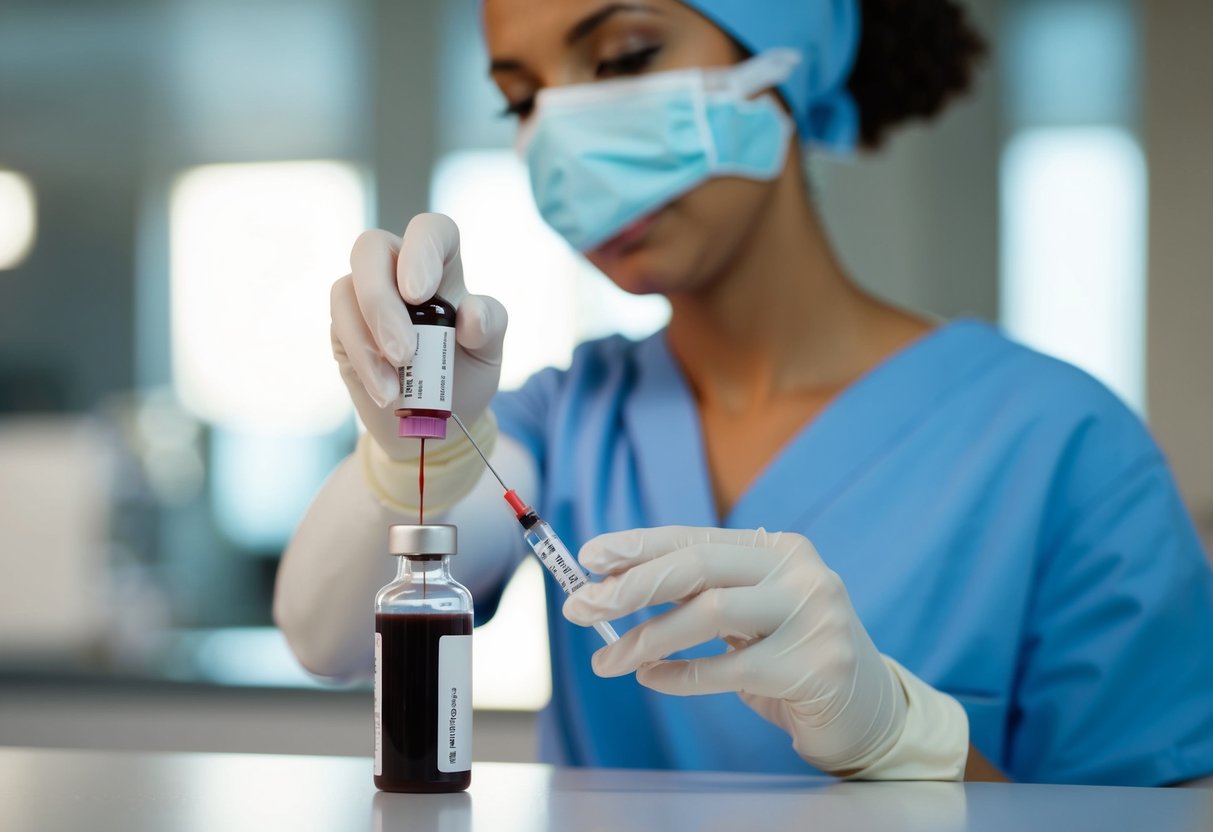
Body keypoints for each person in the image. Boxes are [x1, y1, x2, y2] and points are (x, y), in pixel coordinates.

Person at [274, 0, 1213, 784]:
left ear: (781, 56)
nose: (564, 137)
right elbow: (326, 636)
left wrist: (902, 739)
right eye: (521, 102)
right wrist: (412, 440)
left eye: (624, 57)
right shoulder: (571, 413)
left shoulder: (1064, 447)